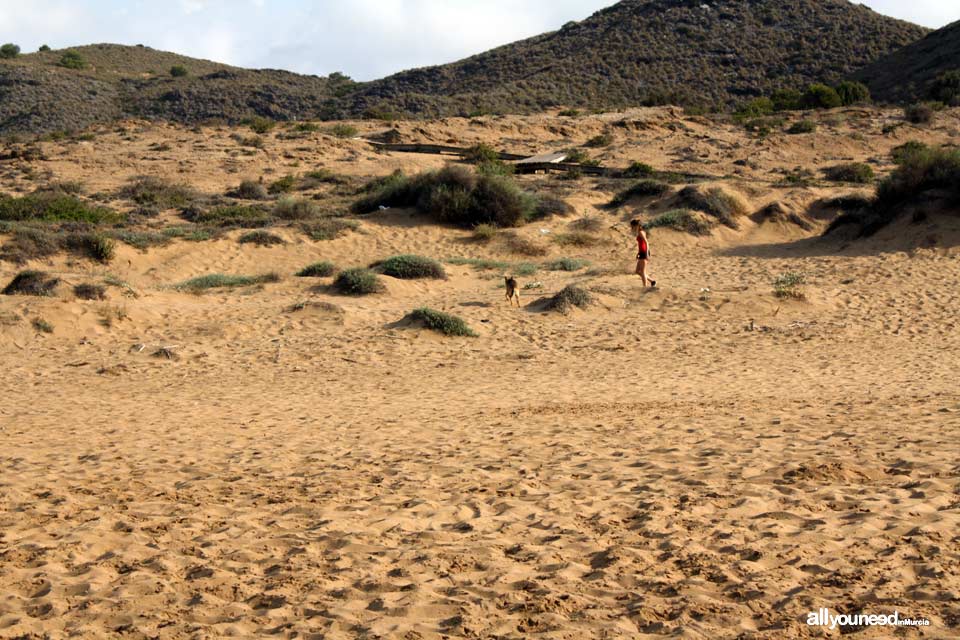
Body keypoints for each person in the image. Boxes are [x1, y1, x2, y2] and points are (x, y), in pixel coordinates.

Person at [630, 219, 656, 288]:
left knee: (642, 271)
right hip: (641, 252)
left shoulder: (641, 232)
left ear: (637, 225)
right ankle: (652, 281)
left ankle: (645, 287)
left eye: (633, 226)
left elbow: (646, 242)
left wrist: (647, 253)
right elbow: (641, 244)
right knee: (637, 271)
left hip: (644, 252)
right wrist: (638, 253)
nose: (632, 228)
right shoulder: (640, 232)